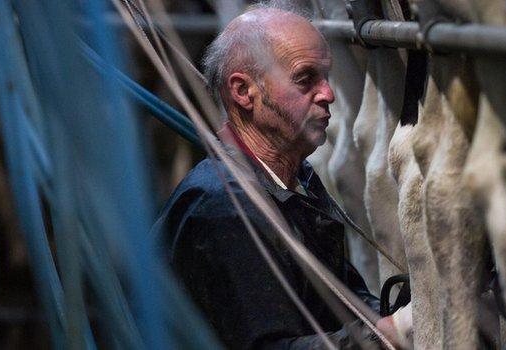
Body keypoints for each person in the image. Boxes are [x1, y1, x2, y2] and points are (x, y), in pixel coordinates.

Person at [151, 3, 410, 349]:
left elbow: (343, 301)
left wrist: (407, 316)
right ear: (243, 92)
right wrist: (388, 334)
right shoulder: (227, 208)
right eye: (305, 79)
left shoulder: (294, 181)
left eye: (326, 76)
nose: (328, 94)